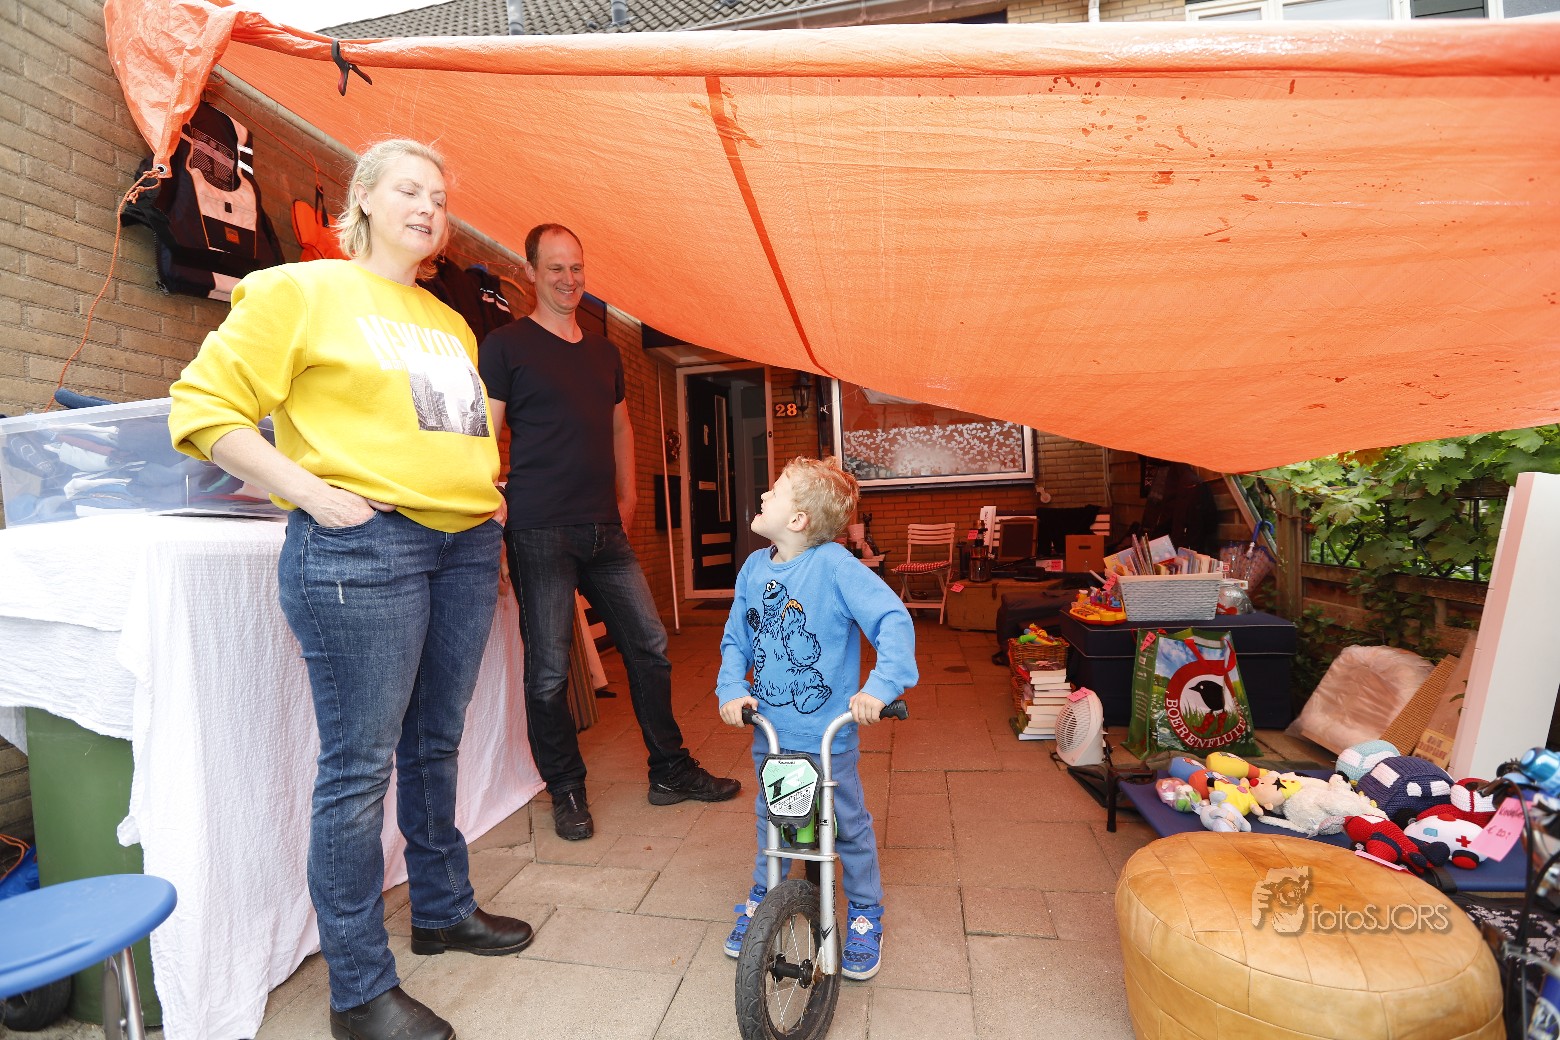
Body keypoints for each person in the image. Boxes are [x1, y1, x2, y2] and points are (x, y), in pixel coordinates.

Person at [169, 139, 532, 1040]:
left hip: (462, 547)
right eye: (409, 189)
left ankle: (442, 910)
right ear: (363, 198)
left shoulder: (450, 324)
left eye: (440, 195)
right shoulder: (298, 290)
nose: (429, 206)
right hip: (363, 550)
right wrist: (314, 495)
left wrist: (485, 492)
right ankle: (360, 991)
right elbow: (202, 409)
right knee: (358, 769)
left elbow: (448, 431)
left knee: (436, 742)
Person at [478, 223, 740, 841]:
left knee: (649, 647)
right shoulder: (506, 345)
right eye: (555, 269)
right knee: (548, 671)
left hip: (604, 528)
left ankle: (669, 769)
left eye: (576, 268)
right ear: (531, 273)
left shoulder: (603, 353)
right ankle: (565, 787)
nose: (568, 280)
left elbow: (621, 428)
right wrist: (490, 512)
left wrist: (629, 496)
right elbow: (484, 432)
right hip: (539, 528)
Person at [716, 456, 918, 980]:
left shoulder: (835, 567)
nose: (764, 495)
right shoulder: (754, 568)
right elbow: (737, 638)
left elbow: (892, 618)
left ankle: (866, 911)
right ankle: (764, 895)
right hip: (771, 733)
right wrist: (732, 686)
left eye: (775, 489)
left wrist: (880, 686)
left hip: (827, 736)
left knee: (845, 825)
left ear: (799, 519)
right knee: (775, 819)